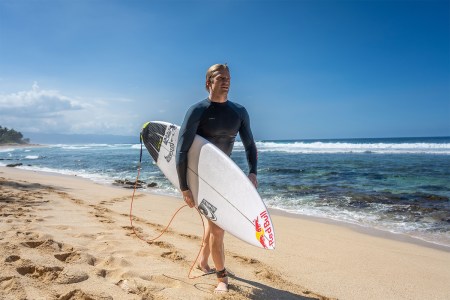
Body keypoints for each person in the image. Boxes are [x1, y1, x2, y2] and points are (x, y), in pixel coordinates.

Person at [175, 64, 258, 293]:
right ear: (208, 83)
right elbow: (181, 151)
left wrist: (252, 172)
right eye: (220, 78)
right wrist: (184, 187)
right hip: (201, 177)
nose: (226, 81)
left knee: (213, 226)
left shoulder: (239, 112)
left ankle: (203, 263)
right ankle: (222, 278)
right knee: (218, 228)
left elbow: (250, 145)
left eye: (228, 78)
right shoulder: (197, 111)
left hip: (223, 177)